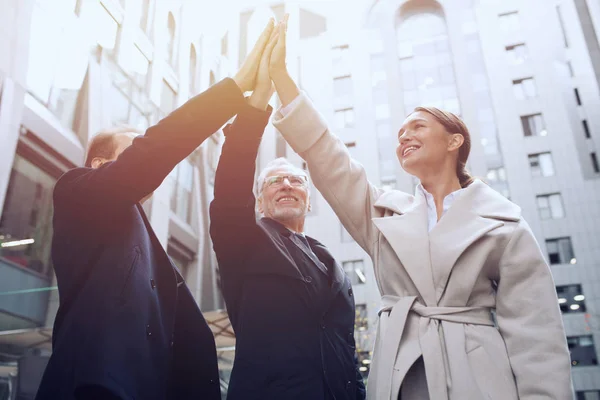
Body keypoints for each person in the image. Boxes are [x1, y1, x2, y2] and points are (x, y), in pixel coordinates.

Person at [267, 18, 573, 400]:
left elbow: (536, 336)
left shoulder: (504, 225)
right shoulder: (384, 216)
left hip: (482, 380)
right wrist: (280, 76)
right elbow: (327, 156)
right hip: (400, 374)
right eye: (400, 134)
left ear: (454, 140)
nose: (404, 136)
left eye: (418, 126)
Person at [35, 19, 278, 400]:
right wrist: (235, 90)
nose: (146, 157)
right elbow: (151, 154)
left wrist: (253, 110)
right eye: (132, 149)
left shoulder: (142, 235)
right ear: (99, 165)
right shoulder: (76, 193)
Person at [209, 18, 366, 400]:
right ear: (259, 200)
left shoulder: (328, 259)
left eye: (296, 180)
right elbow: (230, 190)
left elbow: (344, 344)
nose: (285, 184)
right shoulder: (244, 240)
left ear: (309, 200)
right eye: (273, 181)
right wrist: (256, 104)